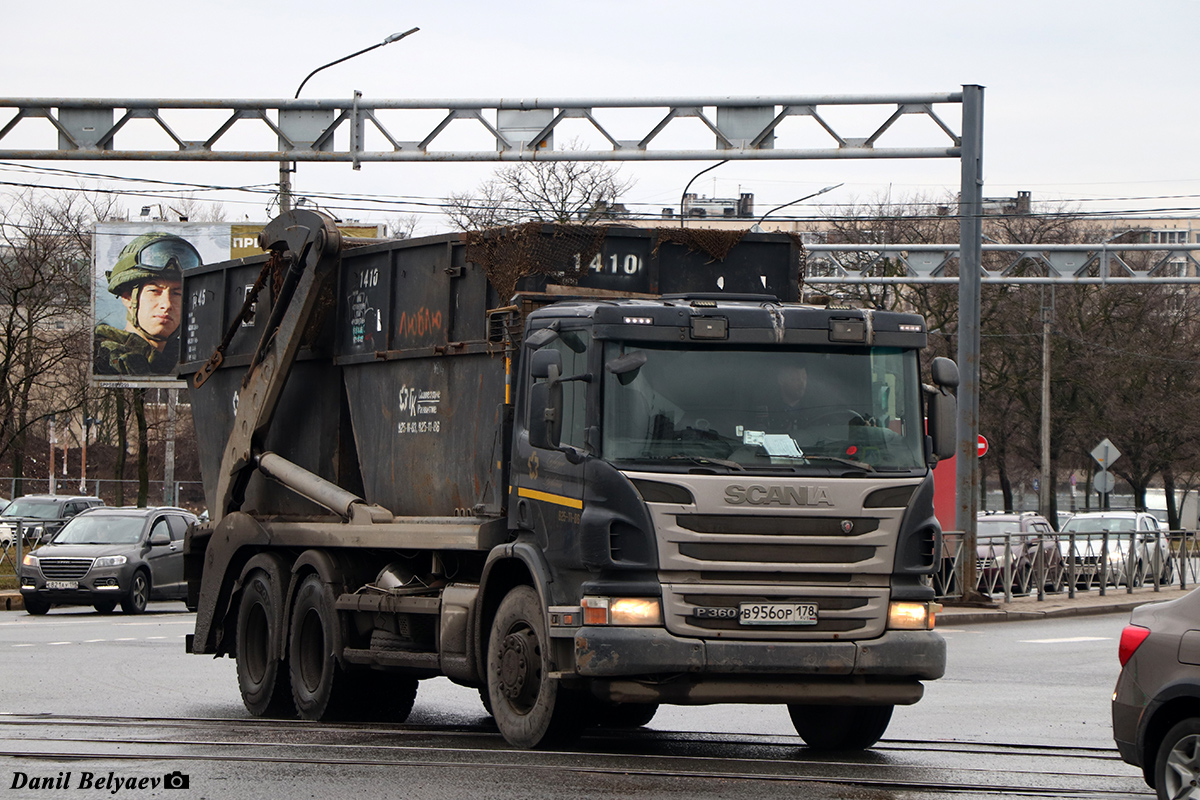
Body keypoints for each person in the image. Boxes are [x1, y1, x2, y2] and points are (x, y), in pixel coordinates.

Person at [93, 233, 199, 376]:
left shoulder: (193, 361)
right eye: (154, 291)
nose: (167, 304)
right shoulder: (99, 359)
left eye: (177, 293)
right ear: (128, 298)